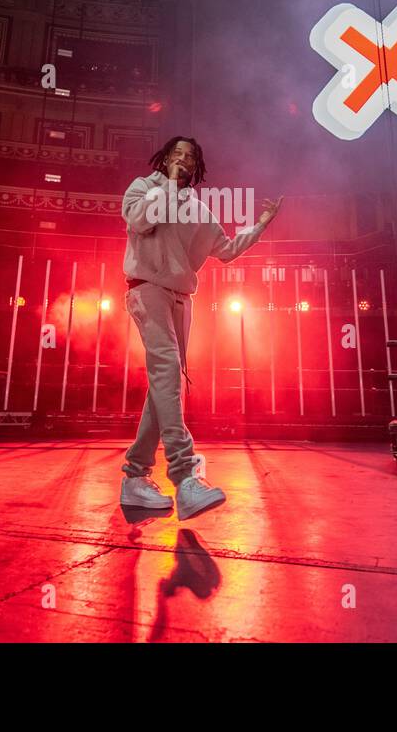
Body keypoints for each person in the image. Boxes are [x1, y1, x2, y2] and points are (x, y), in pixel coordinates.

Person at [118, 136, 281, 520]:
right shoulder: (143, 188)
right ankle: (185, 475)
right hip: (147, 289)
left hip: (180, 299)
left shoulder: (200, 211)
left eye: (190, 156)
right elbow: (141, 221)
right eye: (177, 153)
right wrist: (170, 186)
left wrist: (260, 225)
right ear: (165, 159)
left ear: (197, 167)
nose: (183, 158)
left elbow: (225, 249)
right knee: (168, 373)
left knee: (165, 385)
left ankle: (135, 478)